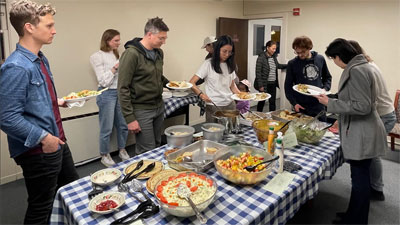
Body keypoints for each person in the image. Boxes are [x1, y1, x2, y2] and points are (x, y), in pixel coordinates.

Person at [0, 1, 79, 224]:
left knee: (71, 193)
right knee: (41, 208)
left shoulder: (39, 58)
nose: (54, 30)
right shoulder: (17, 66)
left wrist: (58, 101)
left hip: (57, 141)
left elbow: (32, 100)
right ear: (29, 27)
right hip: (40, 149)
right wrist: (45, 138)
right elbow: (6, 117)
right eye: (49, 25)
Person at [316, 38, 386, 224]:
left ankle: (357, 220)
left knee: (360, 180)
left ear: (339, 57)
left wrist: (330, 103)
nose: (335, 63)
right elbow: (353, 96)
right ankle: (353, 215)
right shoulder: (362, 66)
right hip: (362, 130)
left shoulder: (356, 71)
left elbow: (362, 106)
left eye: (333, 59)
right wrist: (332, 97)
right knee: (359, 177)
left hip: (363, 132)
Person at [348, 40, 396, 201]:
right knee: (371, 154)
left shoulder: (363, 69)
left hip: (383, 115)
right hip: (384, 113)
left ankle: (377, 189)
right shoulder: (369, 64)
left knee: (372, 154)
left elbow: (365, 104)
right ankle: (374, 187)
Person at [118, 17, 170, 155]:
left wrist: (172, 85)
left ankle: (159, 176)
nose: (164, 42)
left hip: (159, 106)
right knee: (147, 150)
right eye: (161, 38)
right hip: (142, 110)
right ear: (149, 35)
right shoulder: (131, 54)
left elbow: (158, 76)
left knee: (158, 145)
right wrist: (130, 118)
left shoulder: (159, 53)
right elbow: (123, 87)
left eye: (165, 38)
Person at [90, 29, 129, 167]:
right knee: (107, 127)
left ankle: (122, 150)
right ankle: (104, 154)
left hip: (120, 92)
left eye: (119, 40)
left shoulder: (117, 54)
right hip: (106, 93)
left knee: (123, 125)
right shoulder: (97, 56)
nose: (119, 43)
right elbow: (103, 81)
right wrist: (115, 67)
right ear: (107, 41)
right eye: (116, 41)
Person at [189, 35, 241, 122]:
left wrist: (242, 95)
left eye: (230, 52)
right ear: (217, 50)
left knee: (231, 131)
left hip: (230, 104)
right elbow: (191, 83)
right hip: (214, 105)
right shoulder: (208, 64)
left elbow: (231, 85)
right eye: (224, 51)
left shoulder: (230, 64)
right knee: (214, 133)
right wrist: (201, 95)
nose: (227, 55)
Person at [284, 36, 332, 118]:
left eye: (302, 52)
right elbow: (288, 86)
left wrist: (325, 89)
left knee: (321, 128)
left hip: (319, 104)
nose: (300, 55)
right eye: (297, 52)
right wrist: (294, 103)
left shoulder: (320, 59)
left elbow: (327, 77)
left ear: (309, 48)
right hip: (301, 105)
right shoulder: (292, 63)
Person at [254, 40, 287, 112]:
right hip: (264, 84)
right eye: (273, 48)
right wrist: (260, 86)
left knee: (272, 102)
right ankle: (258, 115)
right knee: (262, 101)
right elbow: (258, 73)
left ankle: (272, 117)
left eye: (275, 49)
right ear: (268, 48)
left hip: (273, 83)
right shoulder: (261, 58)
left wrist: (288, 65)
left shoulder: (274, 57)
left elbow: (278, 65)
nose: (274, 50)